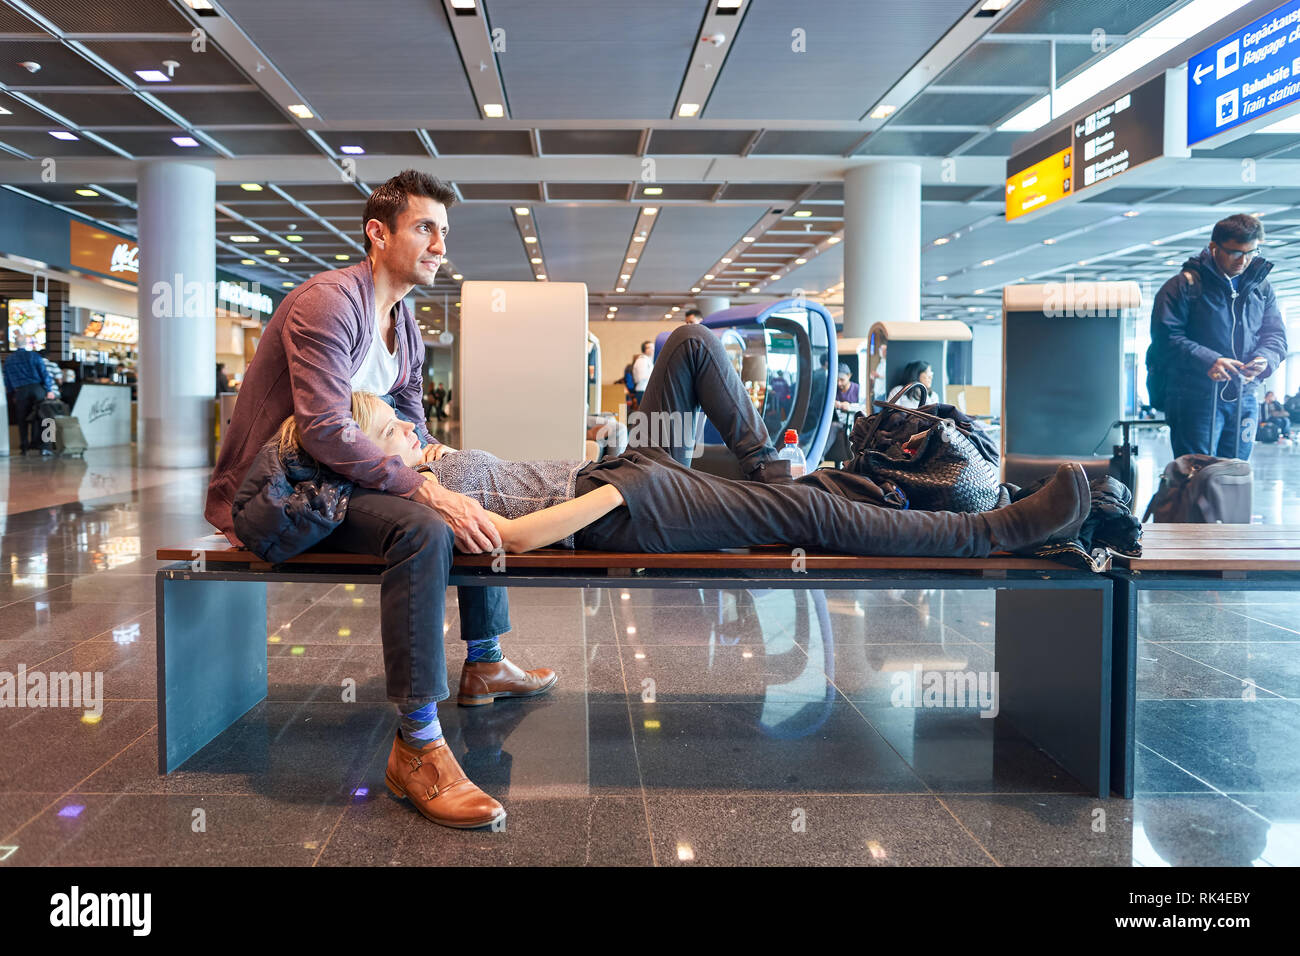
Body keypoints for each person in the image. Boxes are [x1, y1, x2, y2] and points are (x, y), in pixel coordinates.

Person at [242, 324, 1091, 611]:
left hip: (619, 472)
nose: (406, 433)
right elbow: (513, 537)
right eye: (391, 430)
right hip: (622, 502)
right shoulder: (411, 498)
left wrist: (617, 467)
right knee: (804, 517)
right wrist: (620, 485)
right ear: (367, 457)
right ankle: (989, 526)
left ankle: (767, 467)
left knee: (687, 345)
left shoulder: (422, 468)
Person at [207, 169, 545, 831]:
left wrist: (441, 466)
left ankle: (483, 662)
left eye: (444, 232)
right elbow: (323, 430)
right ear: (378, 232)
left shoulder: (404, 322)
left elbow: (410, 418)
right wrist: (423, 488)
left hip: (342, 479)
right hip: (285, 492)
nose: (439, 244)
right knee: (424, 528)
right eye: (425, 228)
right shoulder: (330, 302)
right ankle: (418, 746)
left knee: (465, 488)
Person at [1148, 213, 1288, 459]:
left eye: (1251, 253)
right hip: (1195, 397)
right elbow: (1165, 339)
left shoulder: (1261, 288)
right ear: (1214, 248)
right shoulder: (1182, 286)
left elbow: (1275, 337)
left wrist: (1265, 359)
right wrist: (1209, 360)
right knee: (1198, 477)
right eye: (1235, 252)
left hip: (1244, 395)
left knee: (1235, 475)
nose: (1243, 261)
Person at [3, 346, 58, 455]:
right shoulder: (33, 355)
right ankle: (46, 447)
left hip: (20, 391)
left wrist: (12, 393)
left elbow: (7, 379)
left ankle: (24, 447)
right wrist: (49, 389)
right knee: (46, 417)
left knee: (22, 419)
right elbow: (44, 373)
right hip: (37, 389)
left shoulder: (9, 359)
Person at [631, 340, 654, 407]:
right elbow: (641, 377)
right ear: (644, 350)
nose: (652, 349)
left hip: (645, 390)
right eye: (650, 347)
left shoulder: (648, 360)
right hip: (642, 390)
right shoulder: (642, 361)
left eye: (653, 347)